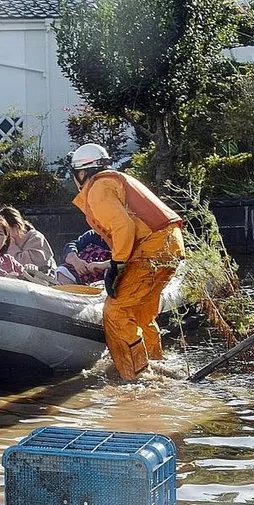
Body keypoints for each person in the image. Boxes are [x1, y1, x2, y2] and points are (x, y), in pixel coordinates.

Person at [69, 143, 185, 381]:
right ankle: (156, 363)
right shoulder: (117, 180)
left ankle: (137, 376)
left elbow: (123, 225)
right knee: (141, 312)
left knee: (116, 311)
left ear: (81, 173)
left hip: (150, 248)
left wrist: (117, 264)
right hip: (170, 244)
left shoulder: (97, 188)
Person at [0, 206, 57, 275]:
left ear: (16, 227)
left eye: (5, 230)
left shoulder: (35, 238)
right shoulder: (2, 241)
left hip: (44, 279)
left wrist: (12, 247)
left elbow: (30, 265)